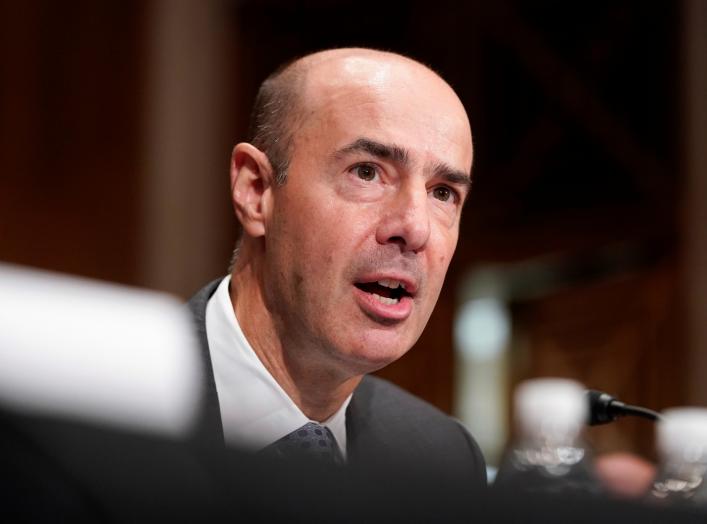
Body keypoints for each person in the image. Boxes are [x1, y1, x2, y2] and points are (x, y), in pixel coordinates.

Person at [187, 47, 486, 488]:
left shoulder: (443, 460)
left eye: (442, 193)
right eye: (367, 172)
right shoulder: (97, 413)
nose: (416, 228)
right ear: (256, 191)